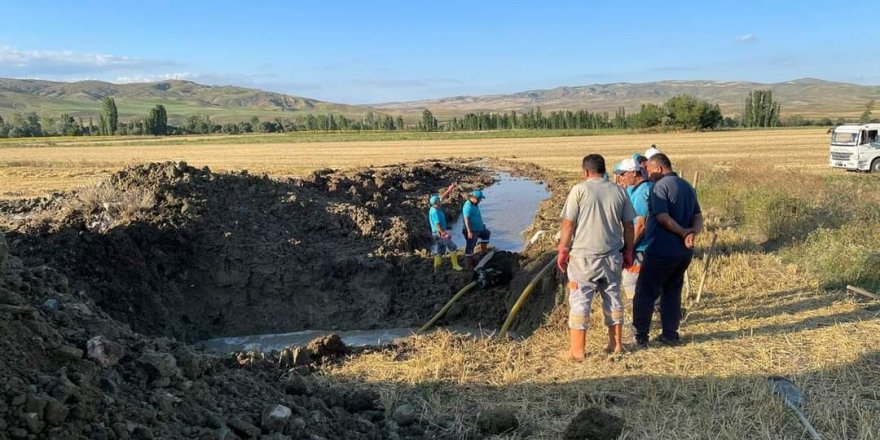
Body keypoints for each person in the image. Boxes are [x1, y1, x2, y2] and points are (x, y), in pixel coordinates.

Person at [558, 154, 635, 360]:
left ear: (585, 172)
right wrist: (628, 251)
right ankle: (616, 344)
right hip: (612, 257)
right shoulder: (619, 191)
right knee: (613, 297)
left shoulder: (579, 190)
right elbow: (629, 225)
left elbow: (568, 224)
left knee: (580, 300)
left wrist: (563, 250)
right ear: (604, 170)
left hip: (583, 259)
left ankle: (577, 351)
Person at [632, 153, 703, 348]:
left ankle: (641, 335)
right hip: (683, 253)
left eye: (650, 171)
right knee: (672, 291)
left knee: (645, 292)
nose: (648, 175)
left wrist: (682, 232)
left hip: (661, 250)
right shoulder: (687, 186)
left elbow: (662, 217)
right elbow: (698, 217)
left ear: (659, 169)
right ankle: (670, 335)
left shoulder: (660, 187)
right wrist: (691, 234)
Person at [617, 158, 653, 299]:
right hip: (651, 244)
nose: (621, 178)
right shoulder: (647, 187)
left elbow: (640, 224)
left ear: (633, 173)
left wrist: (629, 248)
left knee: (630, 280)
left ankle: (638, 310)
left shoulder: (640, 194)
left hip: (641, 247)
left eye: (623, 174)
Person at [428, 184, 463, 272]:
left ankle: (436, 268)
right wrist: (444, 233)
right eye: (439, 201)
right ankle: (455, 265)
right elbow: (437, 224)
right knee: (453, 246)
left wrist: (450, 189)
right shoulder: (434, 212)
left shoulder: (435, 206)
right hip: (439, 233)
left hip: (437, 233)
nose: (441, 201)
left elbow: (442, 197)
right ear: (436, 203)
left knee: (441, 250)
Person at [461, 190, 491, 261]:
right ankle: (468, 262)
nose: (480, 200)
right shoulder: (468, 206)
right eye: (479, 199)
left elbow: (476, 216)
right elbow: (466, 219)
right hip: (472, 230)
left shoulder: (474, 204)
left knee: (486, 233)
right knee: (471, 245)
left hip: (478, 228)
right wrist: (469, 231)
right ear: (474, 198)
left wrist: (481, 225)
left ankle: (483, 251)